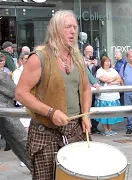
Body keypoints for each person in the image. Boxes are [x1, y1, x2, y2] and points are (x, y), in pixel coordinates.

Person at [15, 10, 92, 179]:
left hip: (75, 131)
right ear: (56, 29)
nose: (73, 31)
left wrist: (85, 114)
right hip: (46, 133)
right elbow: (21, 93)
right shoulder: (39, 57)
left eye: (75, 27)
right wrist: (51, 112)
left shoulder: (77, 57)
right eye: (68, 27)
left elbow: (86, 89)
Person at [95, 55, 124, 136]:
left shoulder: (113, 70)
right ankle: (106, 130)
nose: (107, 63)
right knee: (104, 115)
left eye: (109, 61)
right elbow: (104, 79)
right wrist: (114, 78)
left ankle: (110, 129)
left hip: (114, 96)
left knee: (112, 114)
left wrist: (113, 82)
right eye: (106, 61)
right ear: (102, 62)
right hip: (103, 97)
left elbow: (119, 79)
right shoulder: (99, 71)